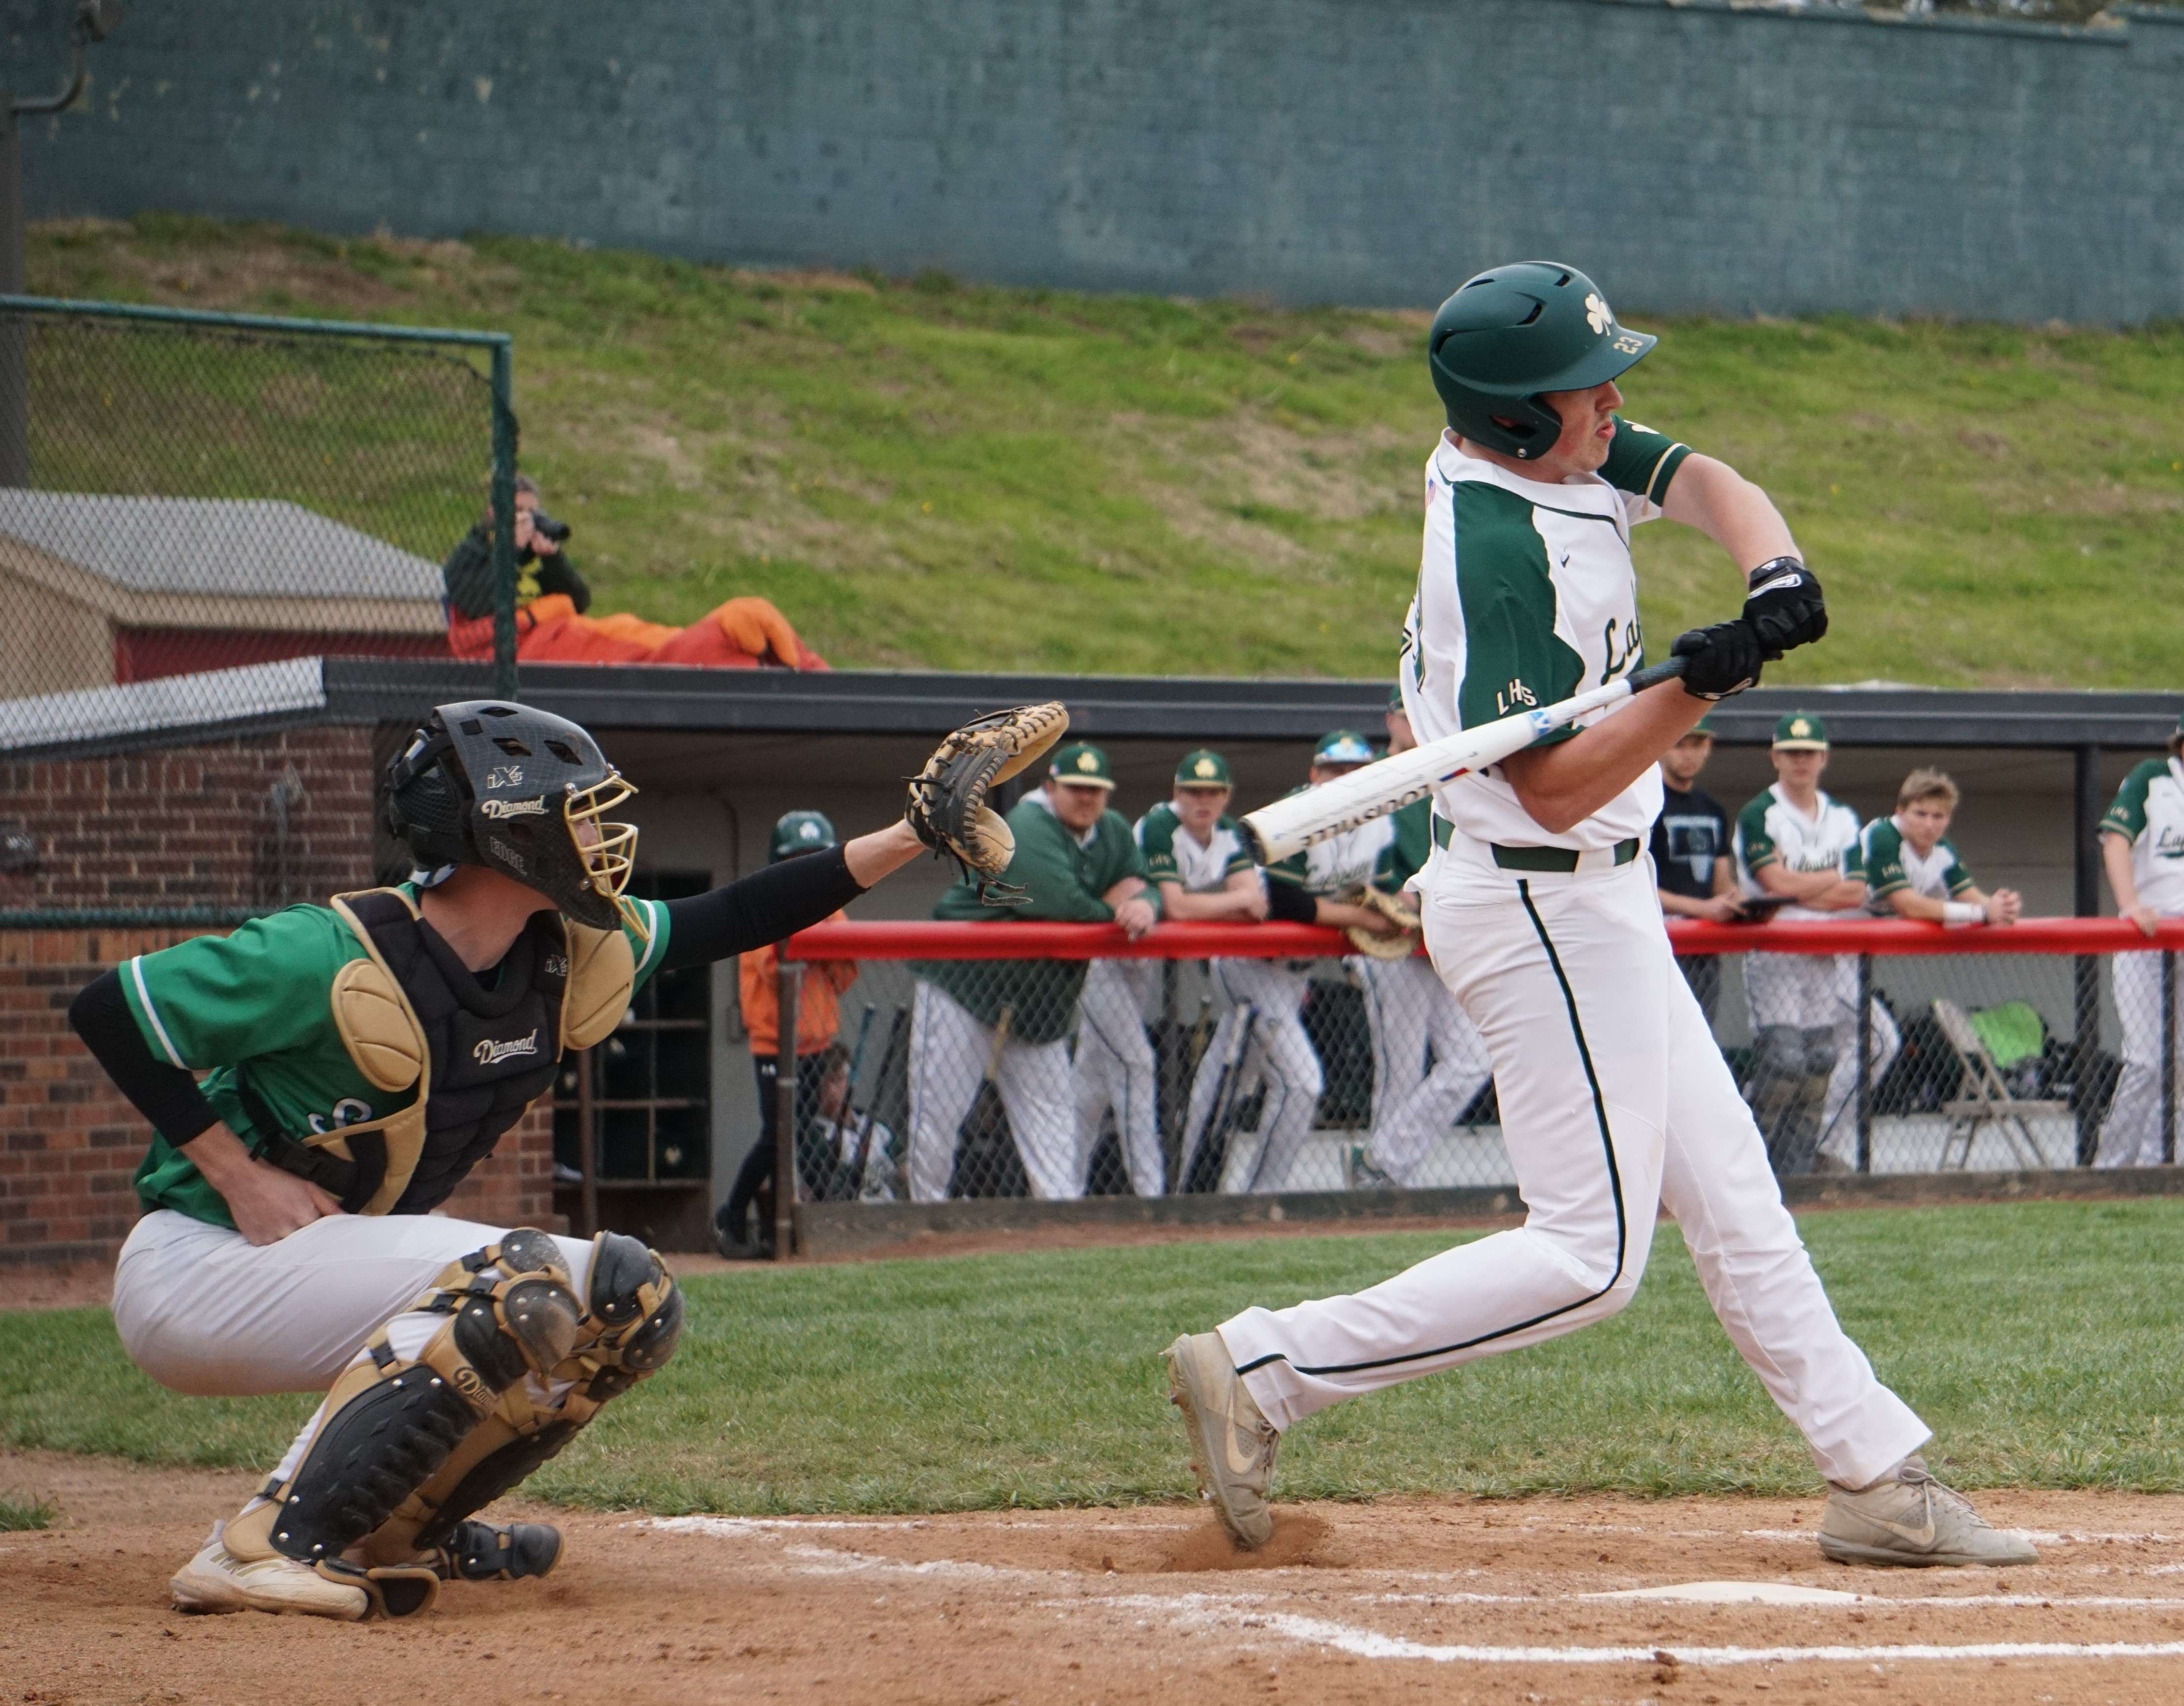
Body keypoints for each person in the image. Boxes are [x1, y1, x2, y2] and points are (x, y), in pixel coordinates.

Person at [1162, 261, 2030, 1572]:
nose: (1612, 402)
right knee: (1591, 1256)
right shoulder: (1496, 551)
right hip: (1536, 897)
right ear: (1515, 419)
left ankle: (1870, 1475)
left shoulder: (1551, 444)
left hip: (1595, 900)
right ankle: (1263, 1366)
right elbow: (1559, 787)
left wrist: (1771, 569)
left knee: (1736, 1200)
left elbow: (1708, 483)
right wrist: (1694, 688)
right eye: (1586, 390)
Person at [68, 695, 1008, 1621]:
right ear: (502, 829)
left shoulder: (565, 947)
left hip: (321, 1258)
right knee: (506, 1280)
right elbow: (111, 1007)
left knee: (624, 1298)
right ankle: (260, 1546)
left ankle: (391, 1527)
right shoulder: (325, 953)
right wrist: (236, 1172)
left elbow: (728, 916)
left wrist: (909, 833)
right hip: (196, 1268)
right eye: (578, 809)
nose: (602, 831)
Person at [908, 741, 1158, 1200]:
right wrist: (1113, 904)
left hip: (1039, 1008)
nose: (1087, 798)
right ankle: (924, 1220)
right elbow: (1060, 905)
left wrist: (1144, 903)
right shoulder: (1025, 824)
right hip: (964, 988)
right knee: (938, 1119)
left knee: (1054, 1132)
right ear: (1050, 787)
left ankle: (1058, 1231)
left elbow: (1149, 886)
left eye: (1096, 790)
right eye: (1076, 787)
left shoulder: (1114, 830)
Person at [1177, 731, 1404, 1194]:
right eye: (1334, 770)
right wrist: (1359, 918)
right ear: (1314, 774)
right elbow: (1283, 901)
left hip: (1291, 975)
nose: (1345, 780)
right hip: (1249, 965)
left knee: (1223, 1085)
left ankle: (1185, 1188)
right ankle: (1261, 1198)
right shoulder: (1296, 815)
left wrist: (1397, 910)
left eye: (1355, 771)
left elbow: (1379, 894)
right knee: (1302, 1083)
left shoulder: (1377, 823)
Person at [1073, 750, 1267, 1196]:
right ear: (1177, 793)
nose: (1204, 801)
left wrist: (1226, 904)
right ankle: (1152, 1196)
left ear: (1226, 796)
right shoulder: (1161, 824)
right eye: (1194, 791)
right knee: (1137, 1065)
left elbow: (1255, 903)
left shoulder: (1228, 833)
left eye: (1214, 792)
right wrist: (1230, 903)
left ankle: (1061, 1193)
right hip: (1108, 958)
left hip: (1140, 966)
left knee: (1089, 1091)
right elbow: (1177, 905)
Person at [441, 473, 825, 672]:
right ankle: (723, 646)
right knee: (651, 652)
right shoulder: (472, 553)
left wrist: (551, 557)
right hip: (527, 647)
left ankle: (793, 666)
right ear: (494, 514)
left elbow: (578, 601)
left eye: (531, 512)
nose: (527, 520)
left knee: (643, 636)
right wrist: (507, 550)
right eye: (518, 512)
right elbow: (478, 603)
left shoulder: (533, 551)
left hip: (565, 632)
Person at [1735, 713, 1899, 1176]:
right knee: (1784, 1061)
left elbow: (1856, 889)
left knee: (1820, 1062)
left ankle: (1798, 1170)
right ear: (1775, 757)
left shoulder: (1843, 818)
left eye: (1808, 753)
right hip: (1775, 950)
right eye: (1791, 752)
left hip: (1826, 954)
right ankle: (1749, 1167)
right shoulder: (1759, 813)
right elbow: (1773, 882)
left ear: (1823, 757)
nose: (1800, 761)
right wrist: (1829, 880)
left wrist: (1802, 884)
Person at [1347, 692, 1493, 1190]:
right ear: (1391, 719)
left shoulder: (1449, 782)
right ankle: (1383, 1181)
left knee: (1472, 1061)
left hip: (1442, 939)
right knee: (1400, 1069)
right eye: (1408, 713)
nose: (1417, 723)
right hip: (1390, 940)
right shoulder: (1370, 779)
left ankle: (1382, 1161)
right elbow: (1349, 865)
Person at [714, 810, 862, 1258]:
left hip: (816, 1042)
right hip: (775, 1045)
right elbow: (776, 966)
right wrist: (813, 938)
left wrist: (814, 939)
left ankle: (811, 1214)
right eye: (797, 858)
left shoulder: (833, 908)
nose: (807, 866)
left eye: (816, 857)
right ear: (779, 862)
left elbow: (846, 971)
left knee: (801, 1134)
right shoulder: (765, 901)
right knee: (779, 1134)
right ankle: (734, 1215)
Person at [2094, 718, 2184, 1167]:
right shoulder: (2154, 775)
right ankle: (2110, 1168)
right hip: (2148, 936)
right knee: (2148, 1061)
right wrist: (2129, 903)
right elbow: (2115, 841)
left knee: (2180, 1063)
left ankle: (2156, 1167)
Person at [1649, 711, 1745, 1025]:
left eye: (1697, 744)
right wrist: (1704, 908)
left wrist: (1737, 902)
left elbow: (1721, 881)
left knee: (1701, 1033)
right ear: (1663, 746)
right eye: (1679, 745)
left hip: (1704, 948)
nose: (1688, 755)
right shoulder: (1645, 805)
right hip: (1658, 941)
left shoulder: (1713, 809)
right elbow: (1638, 884)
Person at [1862, 769, 2021, 928]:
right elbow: (1908, 906)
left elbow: (1969, 895)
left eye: (1938, 817)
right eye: (1921, 814)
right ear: (1900, 813)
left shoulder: (1943, 850)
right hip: (1839, 926)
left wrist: (2003, 909)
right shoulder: (1882, 835)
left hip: (1860, 940)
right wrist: (1982, 913)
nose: (1929, 825)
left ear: (1949, 820)